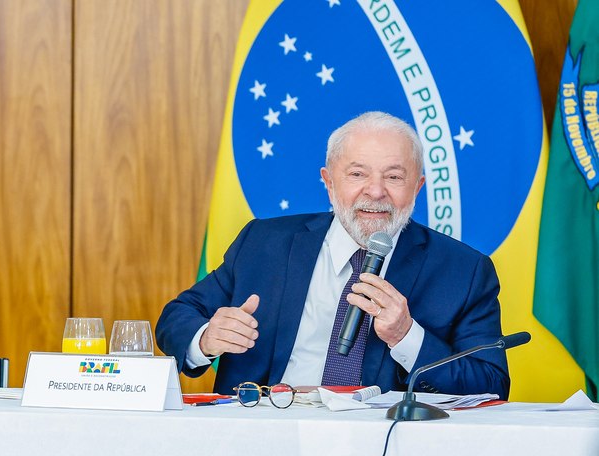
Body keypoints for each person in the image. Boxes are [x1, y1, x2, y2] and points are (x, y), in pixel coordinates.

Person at [156, 111, 510, 399]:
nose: (375, 191)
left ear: (417, 186)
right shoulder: (264, 242)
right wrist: (205, 337)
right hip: (261, 429)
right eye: (357, 174)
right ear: (328, 182)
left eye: (394, 177)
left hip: (384, 447)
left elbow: (490, 385)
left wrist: (407, 336)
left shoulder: (464, 270)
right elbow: (176, 317)